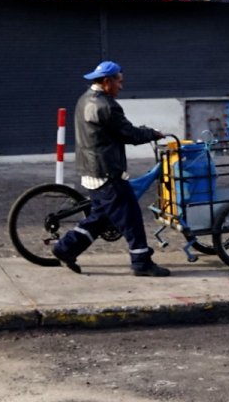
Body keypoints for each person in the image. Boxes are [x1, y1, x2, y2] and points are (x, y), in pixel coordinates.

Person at [52, 61, 170, 277]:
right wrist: (152, 133)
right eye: (119, 82)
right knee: (131, 217)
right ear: (107, 82)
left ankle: (65, 248)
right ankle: (141, 262)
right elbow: (129, 134)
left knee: (99, 218)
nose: (121, 87)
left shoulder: (85, 99)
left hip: (91, 170)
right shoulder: (107, 106)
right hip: (107, 172)